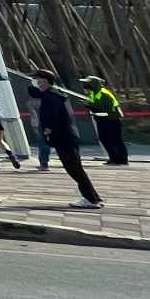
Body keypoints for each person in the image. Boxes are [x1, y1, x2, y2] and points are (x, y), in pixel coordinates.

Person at [29, 70, 102, 209]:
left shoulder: (51, 98)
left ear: (46, 81)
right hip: (65, 137)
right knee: (75, 169)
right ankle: (93, 197)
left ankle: (91, 199)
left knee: (74, 169)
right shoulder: (53, 96)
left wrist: (48, 129)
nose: (37, 83)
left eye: (39, 80)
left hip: (64, 138)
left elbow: (54, 117)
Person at [81, 77, 128, 166]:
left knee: (115, 140)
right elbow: (96, 106)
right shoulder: (94, 93)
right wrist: (89, 105)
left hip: (111, 119)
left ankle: (121, 160)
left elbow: (106, 108)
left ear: (93, 84)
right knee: (104, 139)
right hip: (101, 119)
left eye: (88, 84)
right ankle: (113, 158)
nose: (86, 86)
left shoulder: (104, 93)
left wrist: (90, 105)